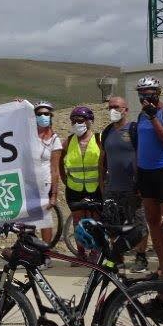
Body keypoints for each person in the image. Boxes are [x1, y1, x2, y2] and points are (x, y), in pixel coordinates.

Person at [133, 77, 163, 281]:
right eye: (142, 93)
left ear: (158, 92)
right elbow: (140, 146)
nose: (145, 96)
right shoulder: (140, 115)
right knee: (153, 221)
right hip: (145, 173)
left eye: (150, 92)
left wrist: (154, 118)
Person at [98, 94, 149, 271]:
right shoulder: (106, 132)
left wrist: (142, 183)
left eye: (116, 107)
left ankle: (141, 257)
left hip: (133, 188)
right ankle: (117, 258)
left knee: (139, 224)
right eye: (110, 107)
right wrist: (102, 183)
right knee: (112, 224)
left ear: (126, 110)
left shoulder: (134, 130)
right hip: (112, 188)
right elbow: (102, 159)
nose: (113, 111)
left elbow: (143, 156)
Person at [59, 106, 101, 249]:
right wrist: (64, 179)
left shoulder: (98, 139)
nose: (77, 124)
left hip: (95, 188)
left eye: (81, 120)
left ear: (89, 121)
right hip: (74, 188)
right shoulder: (69, 141)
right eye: (74, 121)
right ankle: (81, 252)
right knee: (78, 220)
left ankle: (95, 250)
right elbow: (60, 160)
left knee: (94, 220)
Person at [32, 101, 62, 246]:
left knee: (45, 219)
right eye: (39, 114)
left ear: (51, 116)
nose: (43, 116)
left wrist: (54, 194)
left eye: (46, 114)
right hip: (28, 184)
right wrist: (17, 107)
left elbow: (55, 169)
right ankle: (28, 252)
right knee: (27, 220)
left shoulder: (55, 140)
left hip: (45, 183)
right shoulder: (29, 135)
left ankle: (45, 254)